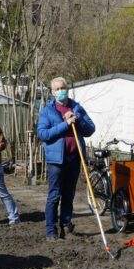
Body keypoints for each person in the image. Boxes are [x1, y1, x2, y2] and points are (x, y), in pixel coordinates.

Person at [36, 76, 95, 240]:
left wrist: (78, 119)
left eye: (63, 88)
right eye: (58, 89)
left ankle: (66, 224)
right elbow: (43, 134)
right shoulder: (48, 111)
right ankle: (51, 230)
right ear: (52, 92)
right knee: (54, 195)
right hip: (57, 160)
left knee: (69, 194)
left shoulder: (77, 107)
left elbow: (90, 129)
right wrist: (65, 124)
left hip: (75, 158)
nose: (61, 91)